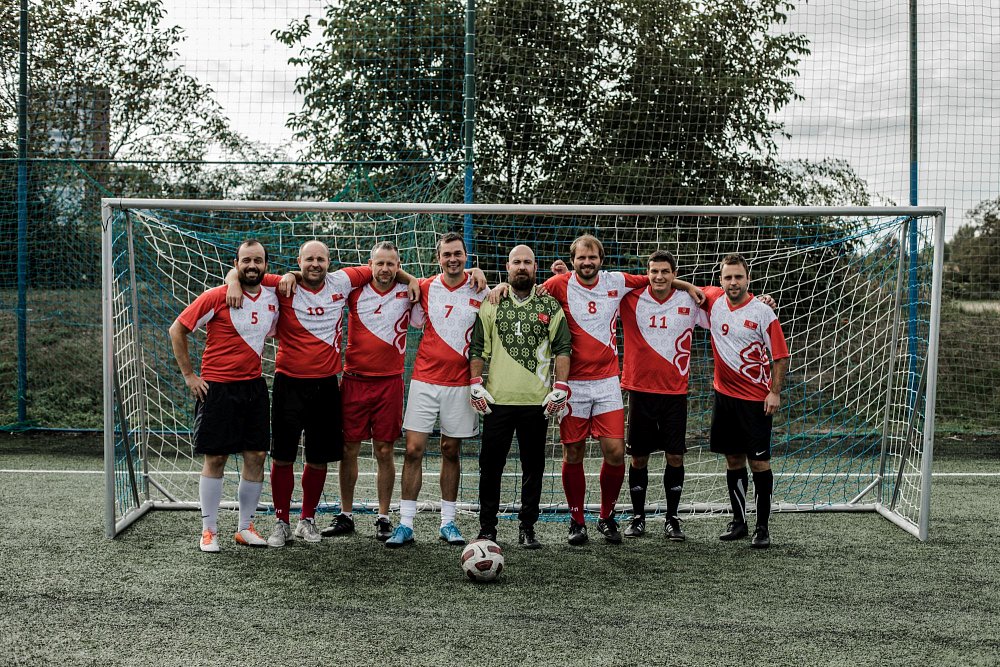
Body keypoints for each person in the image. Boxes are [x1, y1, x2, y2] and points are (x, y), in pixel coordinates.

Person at [224, 240, 417, 548]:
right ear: (298, 262)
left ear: (329, 262)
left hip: (327, 385)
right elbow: (247, 272)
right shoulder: (283, 285)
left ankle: (307, 519)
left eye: (321, 259)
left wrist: (412, 279)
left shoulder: (343, 280)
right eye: (309, 259)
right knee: (283, 457)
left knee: (318, 458)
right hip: (288, 383)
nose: (315, 264)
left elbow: (384, 269)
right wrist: (233, 280)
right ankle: (282, 522)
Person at [544, 235, 703, 545]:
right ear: (573, 260)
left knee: (616, 453)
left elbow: (657, 279)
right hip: (572, 383)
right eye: (581, 258)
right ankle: (577, 521)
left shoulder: (616, 281)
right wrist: (497, 287)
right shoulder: (558, 284)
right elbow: (527, 294)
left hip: (607, 382)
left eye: (592, 257)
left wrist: (686, 285)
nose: (587, 262)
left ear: (601, 260)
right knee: (573, 452)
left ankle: (606, 517)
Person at [169, 239, 279, 553]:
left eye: (258, 261)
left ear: (265, 265)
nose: (252, 266)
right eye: (246, 260)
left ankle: (245, 528)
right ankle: (209, 531)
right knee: (216, 458)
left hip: (254, 388)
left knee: (256, 457)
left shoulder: (272, 298)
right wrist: (190, 375)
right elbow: (177, 329)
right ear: (236, 264)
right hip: (217, 388)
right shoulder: (216, 296)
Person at [385, 232, 490, 548]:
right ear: (438, 258)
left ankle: (448, 522)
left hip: (460, 384)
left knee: (450, 450)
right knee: (413, 449)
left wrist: (483, 277)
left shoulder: (480, 290)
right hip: (425, 380)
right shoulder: (426, 287)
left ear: (466, 256)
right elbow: (396, 278)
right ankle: (405, 524)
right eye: (447, 254)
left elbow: (500, 300)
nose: (452, 259)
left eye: (458, 254)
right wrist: (411, 279)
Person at [468, 245, 572, 549]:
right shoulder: (492, 302)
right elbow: (478, 348)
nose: (522, 267)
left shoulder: (549, 305)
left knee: (533, 468)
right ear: (508, 267)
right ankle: (488, 528)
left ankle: (528, 527)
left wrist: (560, 386)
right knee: (490, 468)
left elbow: (563, 348)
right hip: (497, 402)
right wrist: (475, 382)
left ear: (535, 267)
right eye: (517, 262)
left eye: (527, 262)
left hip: (536, 403)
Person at [322, 241, 412, 541]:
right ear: (370, 265)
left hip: (390, 383)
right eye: (380, 263)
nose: (385, 268)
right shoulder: (353, 290)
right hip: (355, 381)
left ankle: (384, 517)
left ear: (398, 266)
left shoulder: (409, 291)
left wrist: (411, 279)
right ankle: (346, 515)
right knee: (349, 449)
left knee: (384, 450)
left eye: (391, 263)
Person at [702, 253, 789, 549]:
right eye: (728, 277)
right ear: (720, 280)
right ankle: (739, 522)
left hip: (755, 401)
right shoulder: (713, 301)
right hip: (724, 398)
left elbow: (780, 356)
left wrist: (774, 392)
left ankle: (762, 528)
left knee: (759, 462)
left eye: (738, 276)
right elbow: (684, 288)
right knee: (733, 459)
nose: (733, 282)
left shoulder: (763, 312)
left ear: (748, 279)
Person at [619, 250, 707, 541]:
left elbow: (723, 299)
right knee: (638, 458)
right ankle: (638, 517)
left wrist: (761, 300)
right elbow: (598, 288)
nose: (659, 276)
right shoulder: (629, 298)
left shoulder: (690, 301)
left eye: (665, 272)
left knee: (675, 456)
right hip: (640, 392)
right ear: (647, 273)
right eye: (654, 271)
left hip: (674, 393)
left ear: (674, 273)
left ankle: (672, 518)